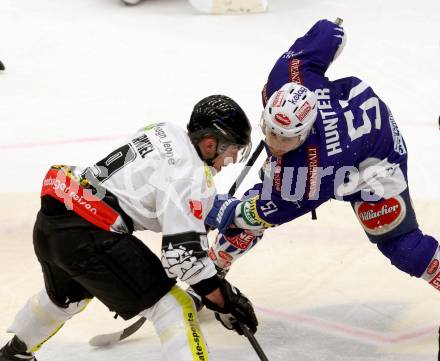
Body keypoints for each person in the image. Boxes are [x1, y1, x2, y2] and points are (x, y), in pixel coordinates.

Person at [0, 95, 258, 361]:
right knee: (173, 307)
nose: (230, 159)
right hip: (89, 236)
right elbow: (183, 260)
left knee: (67, 297)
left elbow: (148, 188)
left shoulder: (163, 129)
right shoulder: (190, 175)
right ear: (209, 143)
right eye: (231, 151)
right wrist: (224, 299)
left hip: (54, 220)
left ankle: (13, 355)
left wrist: (189, 219)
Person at [205, 19, 440, 303]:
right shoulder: (286, 74)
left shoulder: (308, 175)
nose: (275, 144)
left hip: (375, 163)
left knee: (401, 247)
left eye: (286, 139)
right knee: (262, 193)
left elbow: (268, 211)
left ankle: (214, 265)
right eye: (270, 131)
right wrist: (330, 26)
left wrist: (223, 210)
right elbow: (331, 33)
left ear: (305, 131)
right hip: (350, 115)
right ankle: (214, 268)